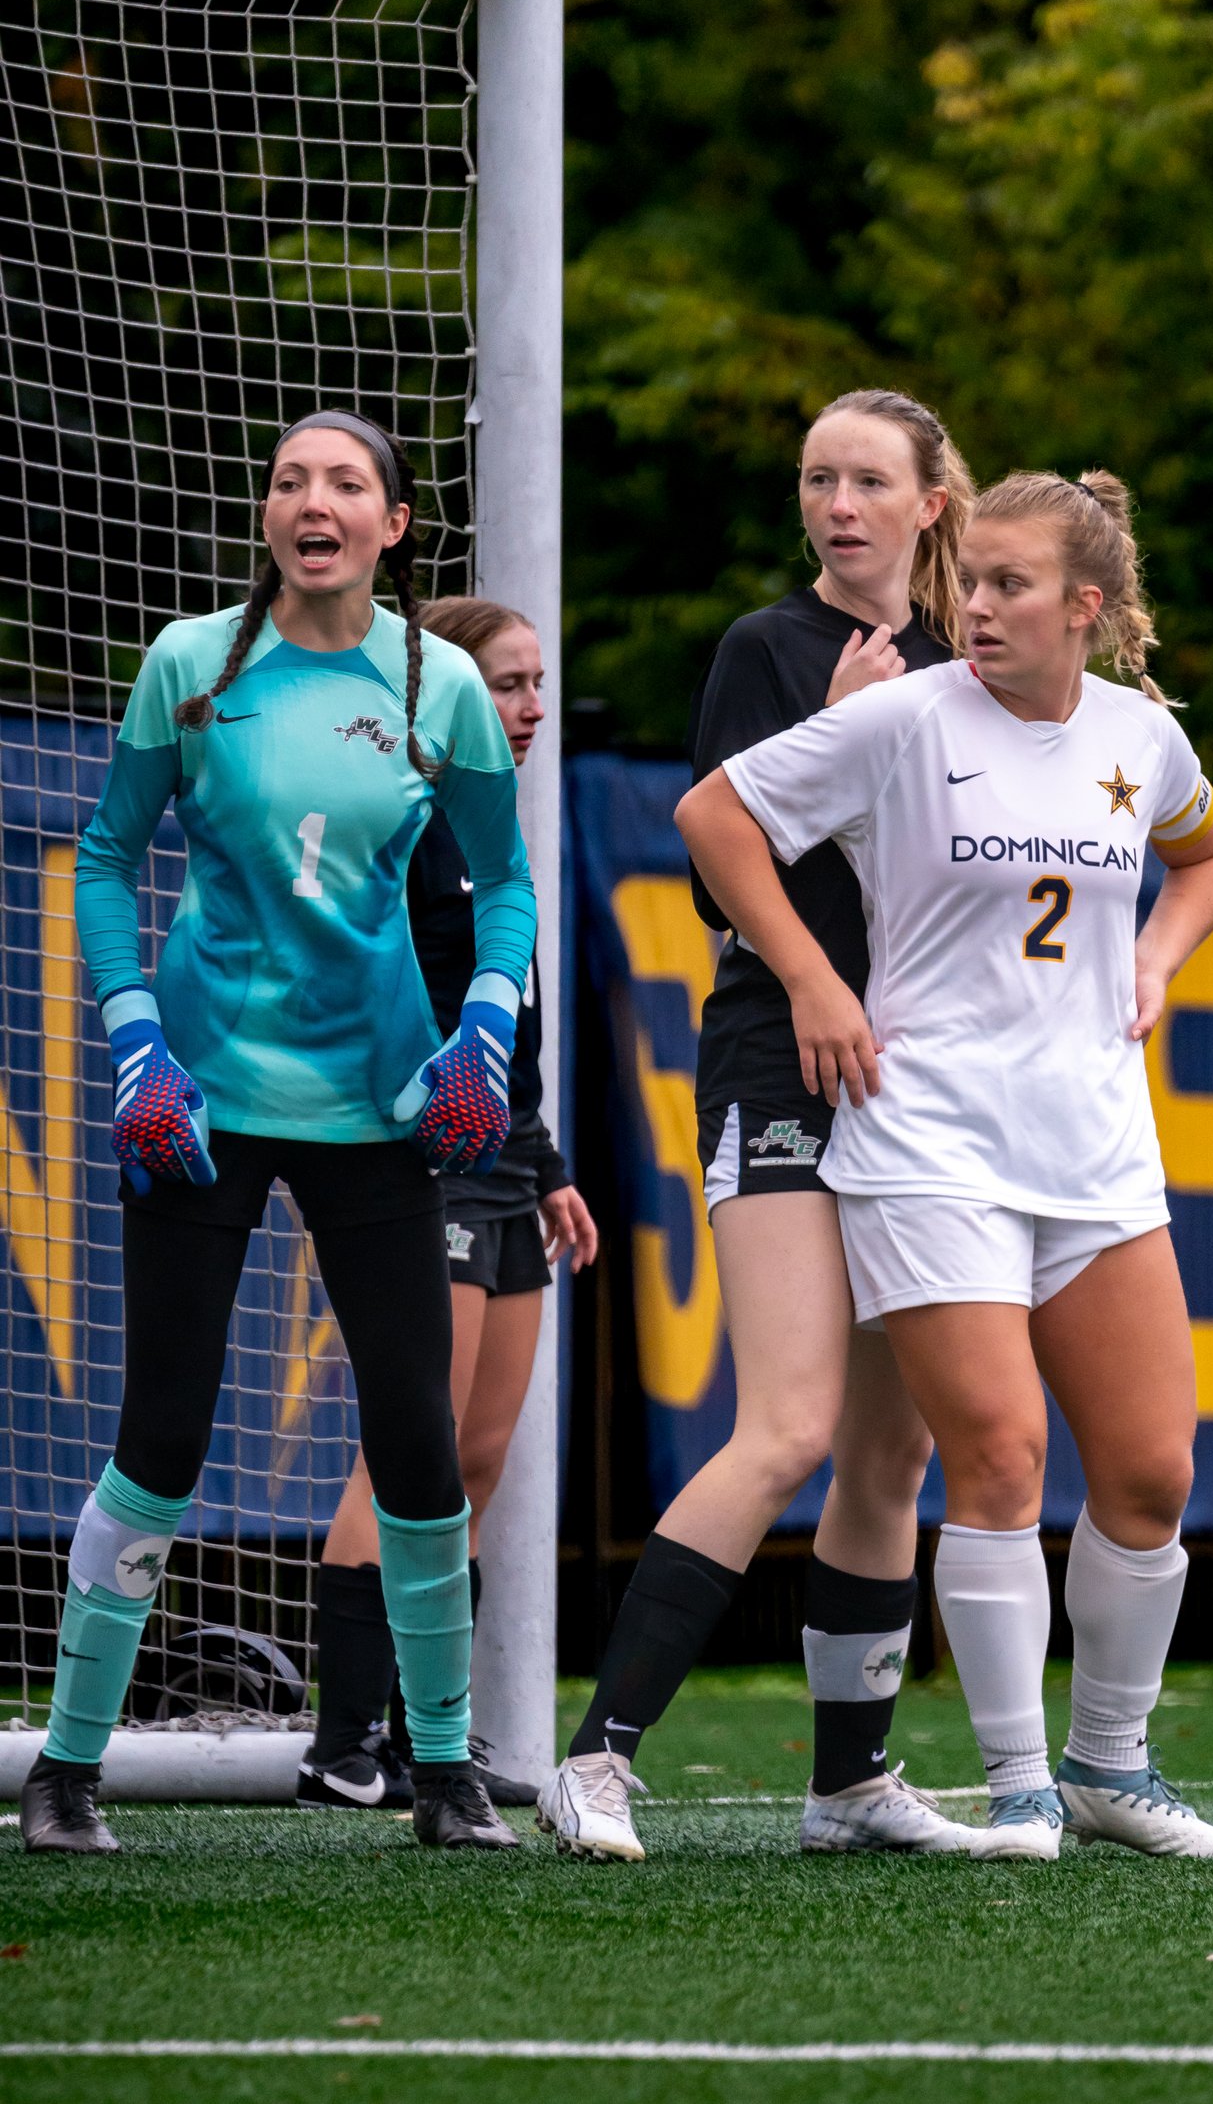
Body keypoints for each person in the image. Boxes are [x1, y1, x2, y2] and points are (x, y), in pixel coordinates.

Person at [675, 466, 1213, 1864]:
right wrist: (813, 976)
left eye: (1007, 585)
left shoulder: (1139, 734)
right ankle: (1018, 1789)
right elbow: (714, 817)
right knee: (998, 1453)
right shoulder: (902, 715)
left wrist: (1161, 960)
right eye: (971, 580)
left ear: (1087, 606)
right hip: (929, 1142)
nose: (976, 606)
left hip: (1096, 1145)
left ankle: (1113, 1762)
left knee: (1151, 1474)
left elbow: (1212, 852)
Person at [21, 410, 535, 1857]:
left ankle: (441, 1772)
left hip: (377, 1105)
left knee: (422, 1443)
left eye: (346, 481)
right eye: (292, 479)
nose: (315, 500)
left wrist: (482, 1024)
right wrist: (133, 1041)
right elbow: (111, 858)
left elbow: (507, 887)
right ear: (269, 515)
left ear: (393, 521)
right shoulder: (191, 664)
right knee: (164, 1433)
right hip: (196, 1101)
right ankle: (66, 1770)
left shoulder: (444, 690)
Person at [538, 390, 973, 1861]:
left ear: (930, 500)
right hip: (783, 1051)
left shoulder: (978, 662)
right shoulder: (769, 651)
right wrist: (815, 959)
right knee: (785, 1419)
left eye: (867, 480)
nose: (838, 503)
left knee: (891, 1446)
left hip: (926, 1082)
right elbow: (728, 867)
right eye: (815, 478)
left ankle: (848, 1781)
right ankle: (594, 1757)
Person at [302, 595, 596, 1812]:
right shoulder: (404, 815)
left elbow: (507, 1026)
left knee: (476, 1457)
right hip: (422, 1152)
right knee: (406, 1446)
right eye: (508, 683)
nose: (529, 707)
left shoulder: (494, 816)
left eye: (537, 684)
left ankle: (436, 1730)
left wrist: (549, 1160)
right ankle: (340, 1742)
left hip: (506, 1162)